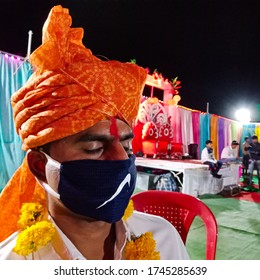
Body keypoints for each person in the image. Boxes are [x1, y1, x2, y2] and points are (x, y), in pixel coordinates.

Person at [0, 5, 189, 260]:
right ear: (39, 166)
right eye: (94, 148)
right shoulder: (15, 264)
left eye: (127, 146)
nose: (122, 159)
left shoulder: (163, 239)